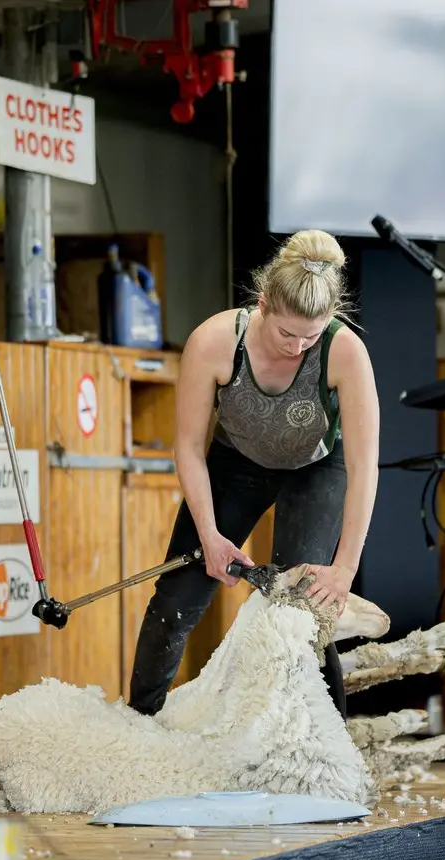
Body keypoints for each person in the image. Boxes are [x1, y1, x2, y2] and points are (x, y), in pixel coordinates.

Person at [127, 229, 379, 720]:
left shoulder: (345, 351)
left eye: (312, 335)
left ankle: (326, 745)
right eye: (288, 333)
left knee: (303, 607)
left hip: (315, 467)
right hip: (234, 462)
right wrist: (210, 536)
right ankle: (139, 723)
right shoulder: (215, 342)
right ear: (263, 304)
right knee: (175, 600)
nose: (299, 346)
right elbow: (188, 447)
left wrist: (344, 569)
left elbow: (364, 467)